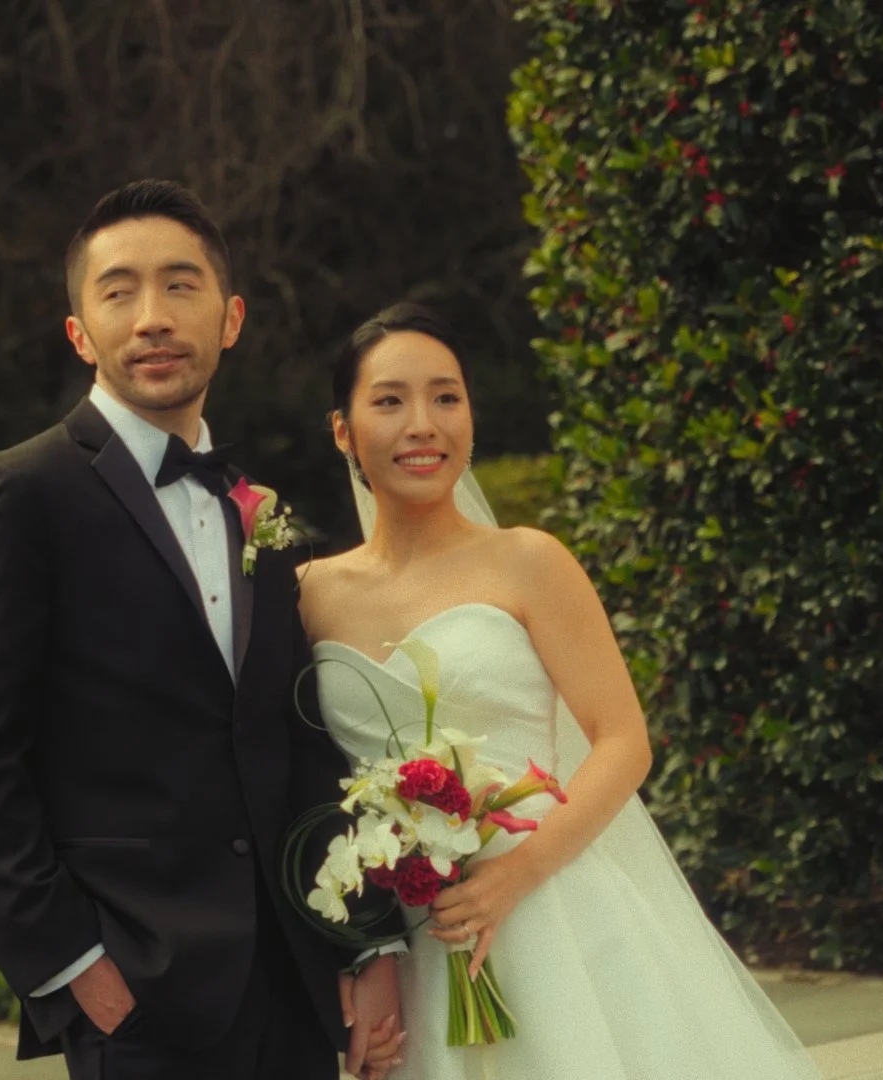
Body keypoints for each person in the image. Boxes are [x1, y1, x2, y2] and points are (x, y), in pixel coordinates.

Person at [0, 179, 406, 1080]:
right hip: (137, 998)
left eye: (181, 285)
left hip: (292, 994)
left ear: (230, 318)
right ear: (79, 333)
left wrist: (367, 941)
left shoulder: (255, 510)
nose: (152, 317)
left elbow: (298, 741)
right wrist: (75, 968)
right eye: (119, 291)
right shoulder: (21, 495)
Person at [296, 302, 823, 1079]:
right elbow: (302, 786)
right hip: (410, 942)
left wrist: (517, 874)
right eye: (389, 401)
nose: (422, 425)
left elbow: (623, 741)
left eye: (446, 397)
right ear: (343, 431)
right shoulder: (307, 595)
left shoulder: (530, 562)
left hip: (554, 914)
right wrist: (356, 955)